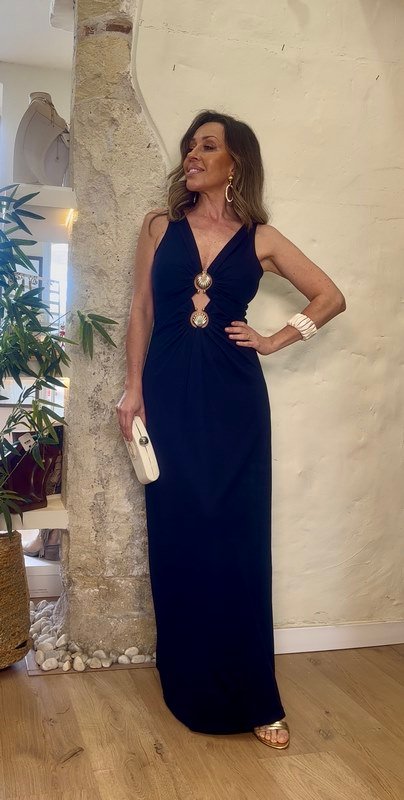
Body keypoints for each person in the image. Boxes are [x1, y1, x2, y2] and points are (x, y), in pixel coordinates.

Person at [116, 109, 346, 749]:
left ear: (234, 162)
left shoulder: (261, 237)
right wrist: (133, 389)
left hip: (234, 398)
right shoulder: (158, 227)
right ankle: (187, 681)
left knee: (239, 541)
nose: (192, 155)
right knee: (180, 535)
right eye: (190, 146)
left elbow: (330, 296)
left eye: (207, 146)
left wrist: (273, 339)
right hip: (168, 392)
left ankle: (255, 697)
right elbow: (140, 308)